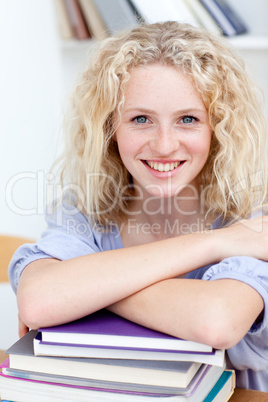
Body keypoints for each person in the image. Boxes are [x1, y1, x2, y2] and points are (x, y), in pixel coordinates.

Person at [9, 21, 268, 391]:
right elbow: (39, 299)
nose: (164, 145)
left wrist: (84, 292)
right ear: (110, 128)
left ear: (219, 130)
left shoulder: (253, 218)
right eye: (141, 119)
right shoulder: (85, 209)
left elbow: (216, 320)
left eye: (188, 120)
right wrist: (213, 243)